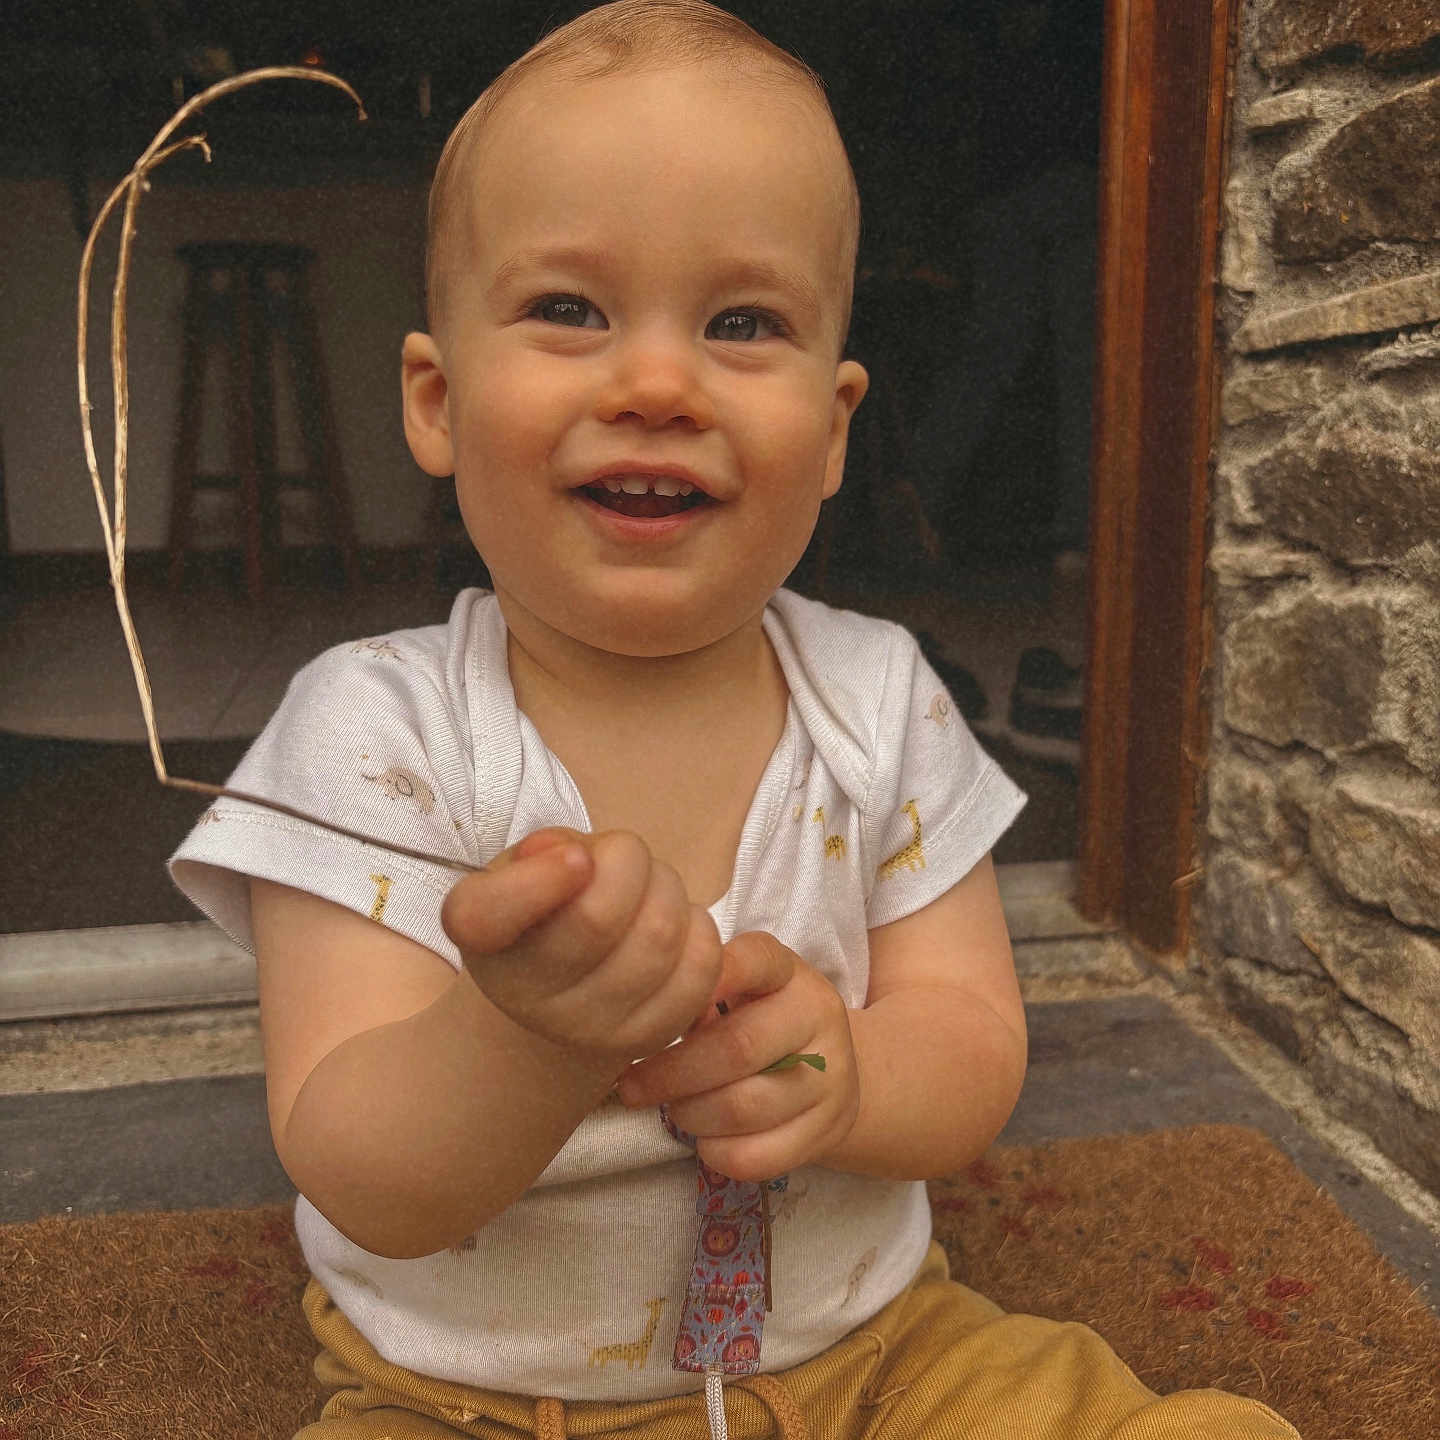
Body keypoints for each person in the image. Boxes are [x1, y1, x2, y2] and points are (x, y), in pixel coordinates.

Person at [171, 4, 1299, 1437]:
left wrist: (849, 1075)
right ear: (439, 401)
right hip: (469, 1397)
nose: (657, 385)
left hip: (879, 1362)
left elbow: (970, 1047)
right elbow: (366, 1175)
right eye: (570, 310)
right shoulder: (372, 733)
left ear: (831, 436)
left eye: (741, 324)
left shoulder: (881, 698)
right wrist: (529, 1034)